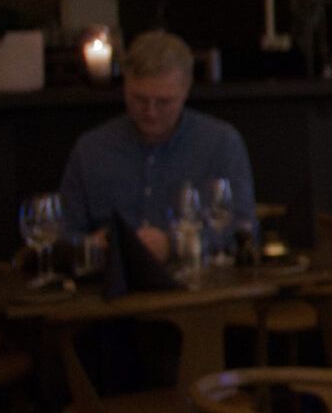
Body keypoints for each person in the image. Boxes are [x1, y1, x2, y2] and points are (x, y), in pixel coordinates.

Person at [56, 29, 255, 259]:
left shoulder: (220, 143)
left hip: (194, 276)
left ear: (185, 90)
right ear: (125, 85)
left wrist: (175, 245)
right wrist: (91, 245)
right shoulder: (92, 149)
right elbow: (62, 233)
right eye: (139, 99)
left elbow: (243, 230)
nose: (150, 112)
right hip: (110, 275)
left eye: (164, 102)